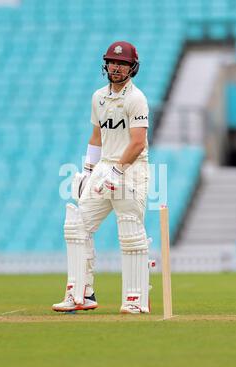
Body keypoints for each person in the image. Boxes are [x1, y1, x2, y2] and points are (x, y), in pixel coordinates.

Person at [52, 41, 151, 314]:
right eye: (112, 62)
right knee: (77, 225)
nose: (116, 67)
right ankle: (81, 292)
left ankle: (135, 298)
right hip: (104, 167)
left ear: (132, 68)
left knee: (130, 231)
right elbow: (96, 137)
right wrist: (87, 171)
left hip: (132, 169)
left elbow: (138, 143)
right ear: (105, 64)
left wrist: (118, 171)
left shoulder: (136, 99)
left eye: (122, 63)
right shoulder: (98, 97)